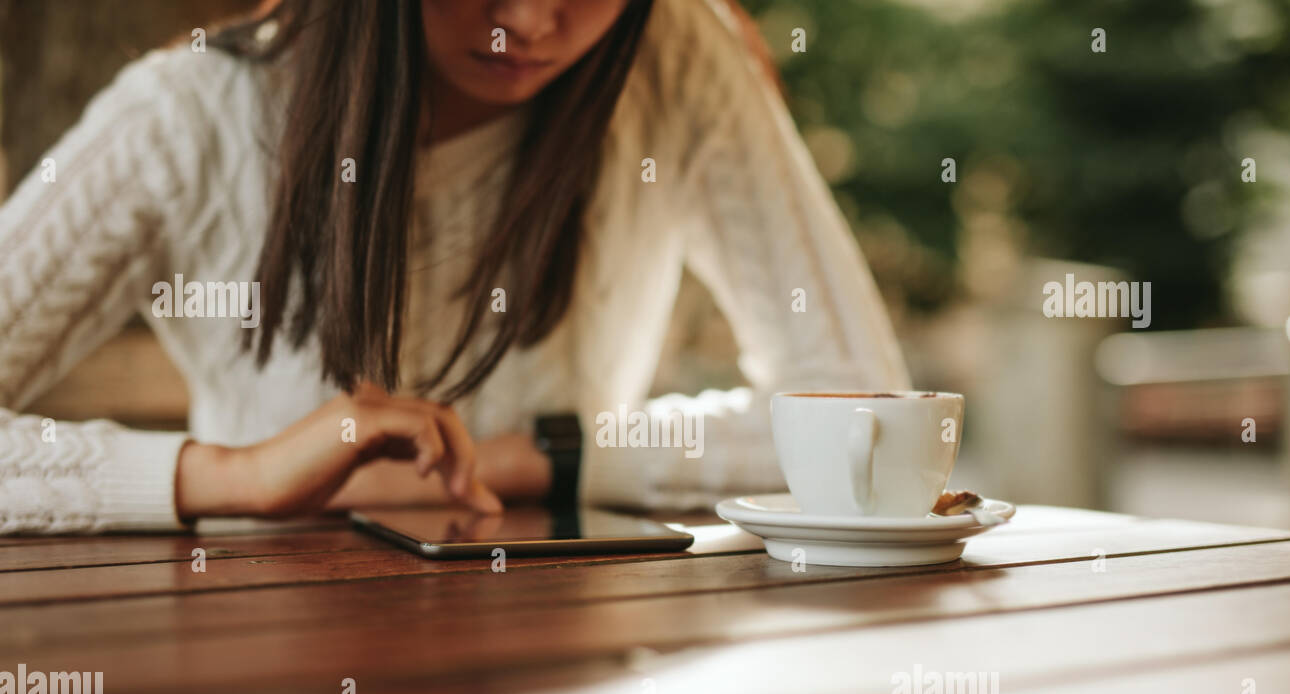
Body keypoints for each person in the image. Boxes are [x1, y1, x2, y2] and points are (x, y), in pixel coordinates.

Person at [0, 0, 909, 535]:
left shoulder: (676, 53)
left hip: (568, 679)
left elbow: (864, 416)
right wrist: (239, 477)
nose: (532, 22)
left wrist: (531, 463)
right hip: (267, 675)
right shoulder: (186, 118)